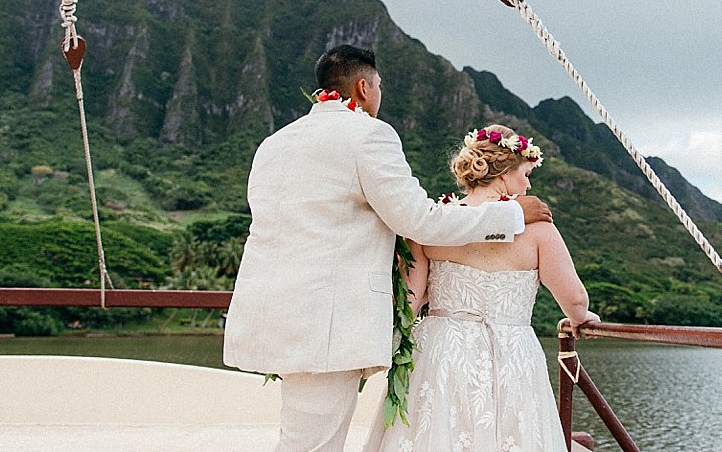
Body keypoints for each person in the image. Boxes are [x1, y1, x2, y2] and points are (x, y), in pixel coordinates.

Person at [225, 45, 554, 452]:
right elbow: (421, 220)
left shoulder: (274, 143)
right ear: (363, 87)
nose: (380, 95)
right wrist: (512, 215)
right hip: (329, 323)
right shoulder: (368, 135)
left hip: (276, 313)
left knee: (300, 436)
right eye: (379, 86)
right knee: (313, 445)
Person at [365, 125, 600, 452]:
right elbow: (574, 298)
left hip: (440, 350)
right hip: (511, 352)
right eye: (526, 173)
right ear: (504, 175)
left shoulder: (433, 222)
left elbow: (410, 299)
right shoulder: (539, 230)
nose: (528, 184)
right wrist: (582, 316)